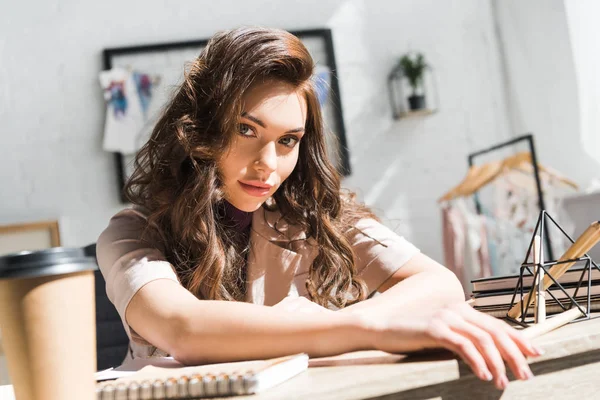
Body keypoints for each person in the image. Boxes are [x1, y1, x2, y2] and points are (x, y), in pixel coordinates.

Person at [97, 26, 540, 391]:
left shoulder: (314, 217)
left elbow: (438, 283)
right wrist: (366, 330)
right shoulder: (133, 232)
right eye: (246, 130)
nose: (268, 165)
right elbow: (183, 328)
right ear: (200, 129)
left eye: (288, 140)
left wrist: (353, 320)